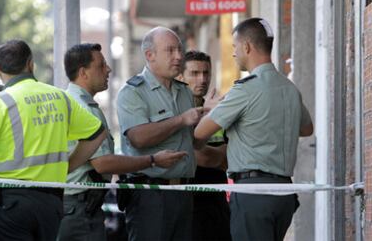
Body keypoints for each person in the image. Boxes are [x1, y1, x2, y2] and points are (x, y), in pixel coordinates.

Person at [0, 40, 107, 241]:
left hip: (9, 205)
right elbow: (97, 133)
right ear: (30, 64)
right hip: (50, 203)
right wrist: (67, 166)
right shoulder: (59, 98)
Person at [194, 18, 313, 241]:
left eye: (235, 47)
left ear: (247, 47)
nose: (234, 53)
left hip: (253, 193)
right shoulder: (289, 88)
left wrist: (209, 110)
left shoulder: (245, 91)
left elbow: (199, 134)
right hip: (284, 193)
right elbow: (307, 129)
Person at [57, 43, 188, 241]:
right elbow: (103, 163)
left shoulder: (71, 101)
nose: (108, 69)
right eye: (101, 65)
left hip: (80, 206)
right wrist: (153, 160)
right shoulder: (82, 107)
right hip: (79, 207)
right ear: (83, 72)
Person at [116, 27, 206, 241]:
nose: (178, 56)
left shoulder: (184, 91)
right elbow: (138, 138)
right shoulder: (133, 92)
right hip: (150, 194)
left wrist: (212, 118)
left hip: (183, 190)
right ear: (150, 55)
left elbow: (194, 142)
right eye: (170, 50)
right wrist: (182, 119)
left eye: (180, 50)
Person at [179, 50, 231, 241]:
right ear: (180, 76)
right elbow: (203, 156)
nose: (202, 79)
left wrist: (203, 154)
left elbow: (229, 159)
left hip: (216, 202)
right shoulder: (174, 112)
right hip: (186, 203)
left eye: (206, 73)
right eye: (194, 73)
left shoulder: (221, 112)